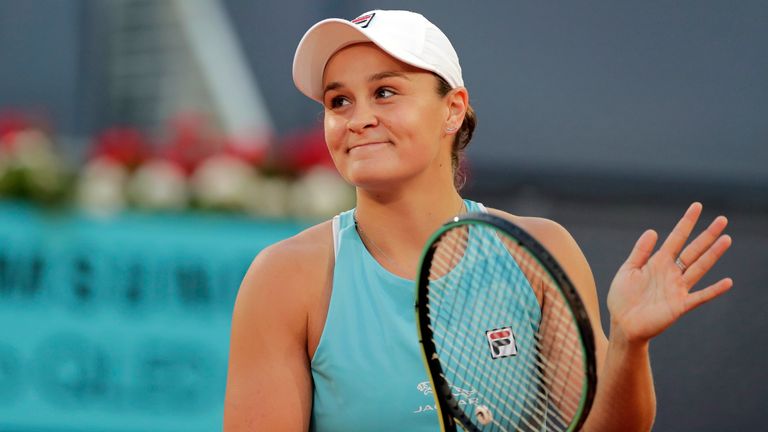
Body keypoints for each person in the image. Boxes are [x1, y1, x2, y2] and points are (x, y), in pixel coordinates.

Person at [223, 9, 733, 431]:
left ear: (453, 110)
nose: (357, 118)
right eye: (339, 101)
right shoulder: (285, 278)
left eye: (385, 92)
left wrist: (629, 344)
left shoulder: (537, 251)